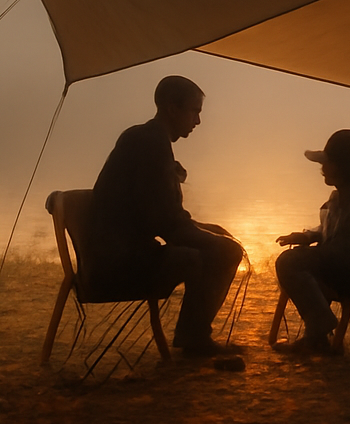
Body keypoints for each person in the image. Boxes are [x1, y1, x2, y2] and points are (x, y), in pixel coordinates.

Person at [81, 75, 244, 358]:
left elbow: (162, 213)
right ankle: (194, 337)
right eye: (194, 112)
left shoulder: (148, 139)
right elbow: (164, 223)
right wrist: (210, 238)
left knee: (214, 241)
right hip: (115, 264)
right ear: (172, 108)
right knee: (224, 251)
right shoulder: (148, 143)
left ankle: (193, 335)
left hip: (127, 251)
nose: (197, 121)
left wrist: (205, 229)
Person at [274, 129, 350, 354]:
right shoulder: (339, 197)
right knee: (293, 260)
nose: (322, 169)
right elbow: (331, 231)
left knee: (290, 262)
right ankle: (317, 334)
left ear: (344, 167)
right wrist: (309, 237)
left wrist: (313, 255)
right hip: (342, 266)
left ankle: (319, 330)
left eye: (327, 163)